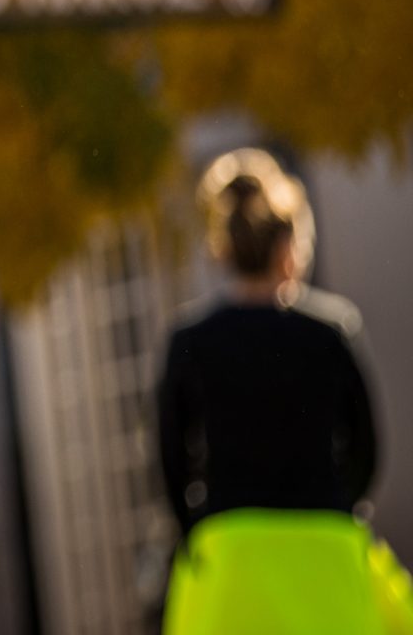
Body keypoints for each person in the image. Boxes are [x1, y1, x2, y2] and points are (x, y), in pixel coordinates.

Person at [156, 146, 406, 635]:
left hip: (230, 559)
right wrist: (332, 503)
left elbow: (170, 459)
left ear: (224, 248)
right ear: (288, 244)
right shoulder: (332, 329)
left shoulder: (189, 342)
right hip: (324, 550)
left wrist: (198, 528)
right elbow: (367, 453)